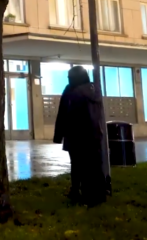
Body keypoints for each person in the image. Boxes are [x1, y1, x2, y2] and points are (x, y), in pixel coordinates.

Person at [53, 66, 106, 207]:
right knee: (94, 165)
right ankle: (98, 194)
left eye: (69, 77)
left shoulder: (72, 91)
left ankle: (79, 192)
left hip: (76, 135)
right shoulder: (95, 89)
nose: (68, 80)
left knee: (77, 165)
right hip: (94, 134)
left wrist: (59, 135)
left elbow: (64, 112)